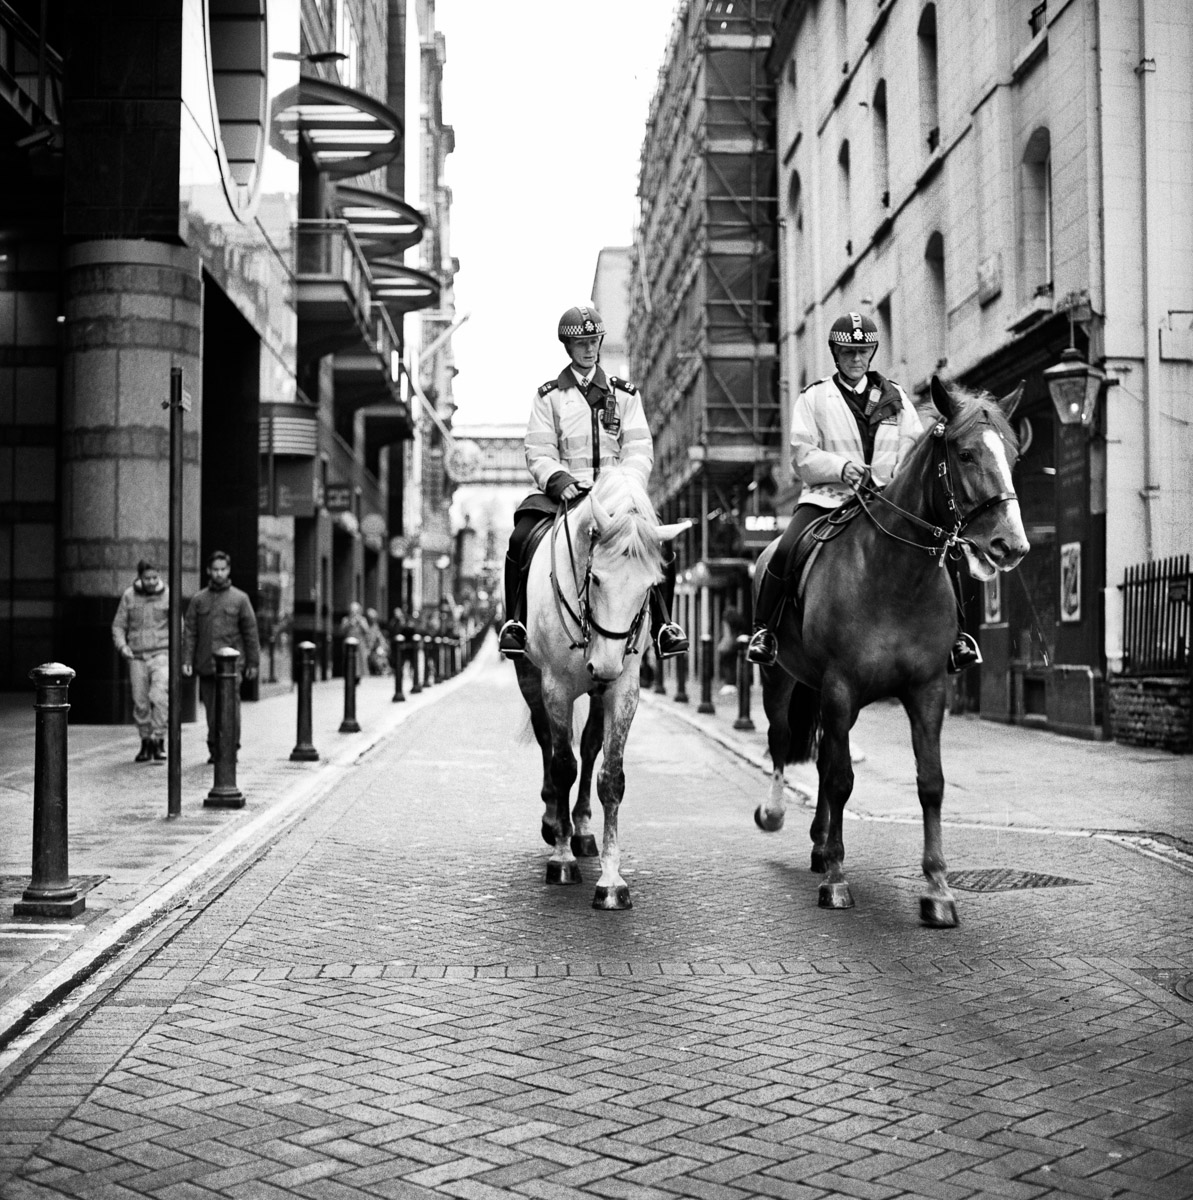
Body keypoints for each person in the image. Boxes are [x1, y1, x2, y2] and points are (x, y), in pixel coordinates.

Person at [746, 310, 979, 673]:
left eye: (864, 351)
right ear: (835, 353)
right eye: (848, 352)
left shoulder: (896, 397)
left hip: (888, 500)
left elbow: (913, 447)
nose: (856, 359)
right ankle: (766, 632)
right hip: (828, 499)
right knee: (786, 549)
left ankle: (958, 637)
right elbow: (802, 454)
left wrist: (896, 479)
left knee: (944, 546)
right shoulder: (814, 397)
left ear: (871, 353)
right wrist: (840, 468)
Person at [497, 303, 688, 660]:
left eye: (594, 341)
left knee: (658, 543)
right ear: (568, 348)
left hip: (614, 497)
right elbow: (538, 448)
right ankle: (516, 621)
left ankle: (664, 626)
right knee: (520, 537)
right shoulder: (549, 396)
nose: (590, 349)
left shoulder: (625, 394)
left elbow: (638, 447)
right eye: (582, 343)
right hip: (566, 495)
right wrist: (557, 478)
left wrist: (626, 485)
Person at [182, 550, 260, 763]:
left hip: (232, 667)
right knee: (212, 712)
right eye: (215, 569)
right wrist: (187, 660)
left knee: (231, 709)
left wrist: (253, 662)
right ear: (208, 571)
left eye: (222, 569)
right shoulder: (199, 600)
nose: (219, 573)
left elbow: (250, 632)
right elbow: (190, 632)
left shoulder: (240, 599)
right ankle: (214, 748)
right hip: (207, 665)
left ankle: (230, 748)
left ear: (228, 570)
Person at [111, 558, 170, 763]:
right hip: (136, 656)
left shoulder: (168, 595)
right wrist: (122, 646)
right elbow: (118, 625)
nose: (152, 581)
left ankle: (159, 738)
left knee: (160, 695)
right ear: (140, 577)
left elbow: (177, 626)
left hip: (161, 653)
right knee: (140, 701)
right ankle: (145, 741)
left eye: (155, 577)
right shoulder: (129, 596)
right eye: (147, 578)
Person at [338, 601, 371, 679]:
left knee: (359, 661)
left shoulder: (362, 619)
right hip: (349, 645)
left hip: (360, 644)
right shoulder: (345, 619)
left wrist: (360, 622)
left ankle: (358, 676)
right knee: (349, 660)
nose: (354, 612)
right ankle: (349, 675)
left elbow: (367, 631)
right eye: (352, 610)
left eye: (355, 610)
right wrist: (349, 623)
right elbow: (341, 631)